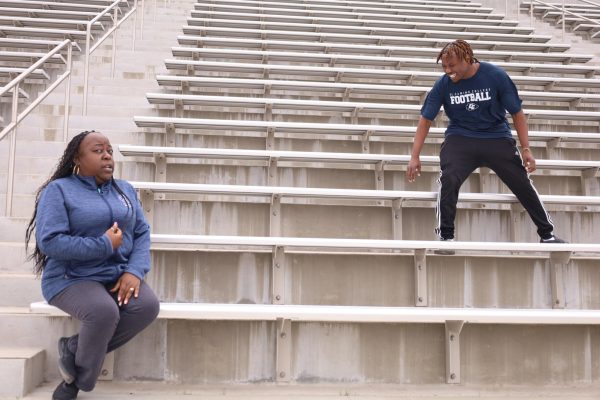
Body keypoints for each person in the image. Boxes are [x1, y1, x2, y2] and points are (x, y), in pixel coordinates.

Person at [25, 130, 160, 400]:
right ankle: (75, 384)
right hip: (70, 277)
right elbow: (50, 242)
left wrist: (134, 271)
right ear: (78, 158)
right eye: (98, 151)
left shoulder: (125, 190)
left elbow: (142, 233)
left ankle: (73, 349)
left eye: (109, 150)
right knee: (102, 312)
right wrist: (104, 244)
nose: (107, 155)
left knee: (147, 306)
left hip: (115, 275)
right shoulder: (59, 190)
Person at [406, 40, 565, 250]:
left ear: (467, 59)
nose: (448, 71)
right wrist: (414, 156)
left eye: (452, 66)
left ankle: (547, 234)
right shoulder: (443, 84)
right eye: (444, 66)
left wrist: (526, 149)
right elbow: (425, 120)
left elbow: (517, 113)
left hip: (496, 137)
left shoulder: (495, 76)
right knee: (449, 178)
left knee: (521, 182)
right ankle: (446, 237)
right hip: (461, 137)